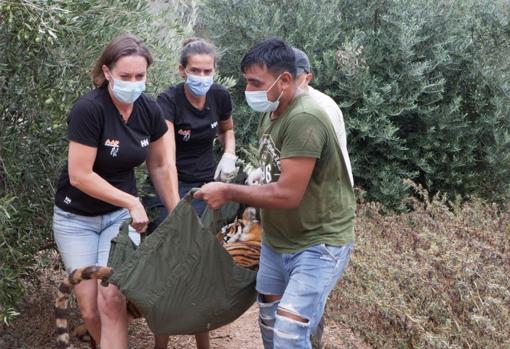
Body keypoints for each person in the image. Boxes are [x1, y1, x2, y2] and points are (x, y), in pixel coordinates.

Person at [194, 38, 355, 349]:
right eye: (247, 81)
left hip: (317, 242)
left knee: (289, 332)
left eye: (256, 82)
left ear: (285, 80)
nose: (249, 89)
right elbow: (275, 167)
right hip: (278, 240)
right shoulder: (272, 111)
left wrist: (228, 191)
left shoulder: (305, 117)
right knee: (269, 322)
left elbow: (288, 194)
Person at [53, 34, 179, 349]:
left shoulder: (149, 109)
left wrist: (178, 215)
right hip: (76, 219)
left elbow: (161, 166)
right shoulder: (89, 109)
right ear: (108, 72)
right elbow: (80, 175)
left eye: (140, 76)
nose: (133, 83)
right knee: (90, 310)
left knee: (112, 299)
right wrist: (131, 200)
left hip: (118, 220)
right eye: (125, 76)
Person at [145, 37, 236, 349]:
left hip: (205, 186)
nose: (202, 76)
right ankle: (161, 342)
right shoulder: (168, 100)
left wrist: (229, 155)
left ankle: (203, 343)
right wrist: (175, 210)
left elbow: (227, 129)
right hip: (169, 186)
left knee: (200, 267)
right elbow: (165, 157)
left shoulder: (220, 96)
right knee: (168, 267)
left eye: (207, 70)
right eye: (195, 70)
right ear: (182, 70)